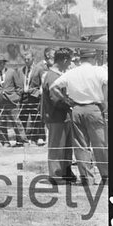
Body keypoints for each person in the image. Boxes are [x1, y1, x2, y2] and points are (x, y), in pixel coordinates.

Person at [49, 49, 107, 184]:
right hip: (94, 108)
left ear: (81, 59)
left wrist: (66, 100)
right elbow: (107, 82)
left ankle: (87, 178)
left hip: (76, 109)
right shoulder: (98, 70)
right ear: (93, 58)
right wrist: (105, 102)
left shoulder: (72, 72)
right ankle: (106, 176)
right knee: (100, 144)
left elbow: (53, 87)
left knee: (81, 146)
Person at [40, 48, 75, 184]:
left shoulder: (59, 74)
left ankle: (66, 172)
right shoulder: (52, 76)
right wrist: (71, 103)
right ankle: (55, 175)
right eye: (70, 61)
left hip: (64, 117)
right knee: (56, 147)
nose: (70, 64)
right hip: (56, 117)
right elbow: (56, 99)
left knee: (66, 147)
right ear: (65, 60)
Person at [0, 54, 27, 147]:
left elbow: (19, 87)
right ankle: (5, 142)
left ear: (4, 63)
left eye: (1, 63)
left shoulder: (12, 72)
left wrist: (16, 97)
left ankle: (22, 141)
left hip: (11, 102)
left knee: (16, 122)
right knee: (1, 122)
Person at [18, 50, 45, 145]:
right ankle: (24, 138)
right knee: (23, 118)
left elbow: (43, 82)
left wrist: (40, 92)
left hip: (35, 97)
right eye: (25, 59)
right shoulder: (21, 70)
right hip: (24, 98)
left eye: (28, 59)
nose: (26, 61)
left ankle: (38, 138)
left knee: (37, 118)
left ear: (33, 59)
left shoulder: (39, 69)